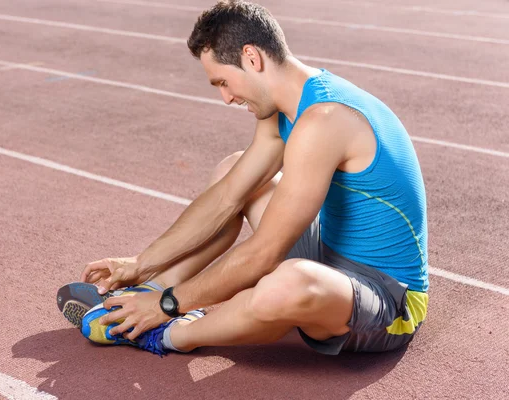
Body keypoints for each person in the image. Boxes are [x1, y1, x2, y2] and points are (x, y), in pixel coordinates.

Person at [57, 0, 429, 357]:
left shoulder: (324, 119)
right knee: (233, 170)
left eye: (223, 82)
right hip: (329, 258)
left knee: (286, 283)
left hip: (387, 301)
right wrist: (142, 263)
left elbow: (264, 254)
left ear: (252, 57)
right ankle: (152, 290)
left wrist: (168, 308)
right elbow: (228, 198)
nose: (226, 98)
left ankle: (167, 332)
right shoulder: (288, 105)